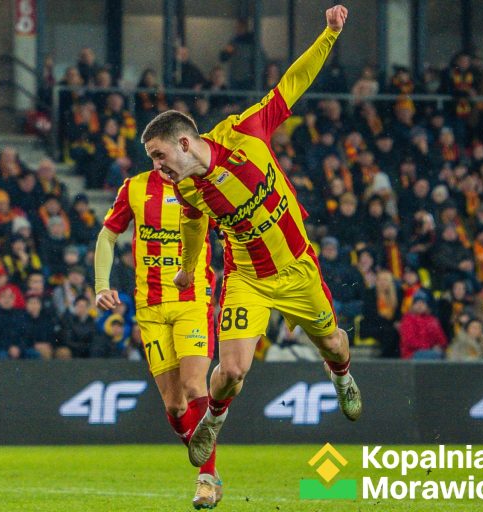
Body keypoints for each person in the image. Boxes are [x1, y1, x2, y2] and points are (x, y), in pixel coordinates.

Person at [141, 5, 361, 471]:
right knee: (233, 371)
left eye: (159, 156)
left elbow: (293, 84)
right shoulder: (186, 187)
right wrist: (187, 268)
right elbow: (194, 223)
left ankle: (341, 376)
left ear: (184, 144)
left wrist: (329, 34)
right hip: (248, 278)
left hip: (296, 266)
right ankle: (213, 419)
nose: (156, 168)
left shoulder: (245, 132)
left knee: (334, 345)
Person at [95, 160, 221, 507]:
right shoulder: (135, 187)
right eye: (154, 153)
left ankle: (206, 478)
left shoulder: (202, 185)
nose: (161, 160)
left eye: (164, 151)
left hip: (192, 301)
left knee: (195, 385)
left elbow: (233, 231)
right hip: (150, 308)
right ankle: (209, 469)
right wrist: (101, 284)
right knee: (175, 406)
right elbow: (107, 235)